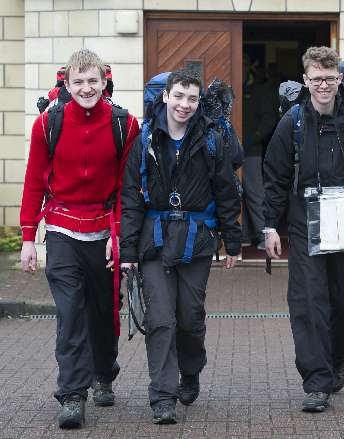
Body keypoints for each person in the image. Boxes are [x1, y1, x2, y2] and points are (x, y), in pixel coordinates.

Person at [263, 46, 344, 412]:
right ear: (305, 80)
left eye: (329, 79)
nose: (323, 85)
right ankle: (316, 382)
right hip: (306, 227)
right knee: (308, 303)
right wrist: (270, 227)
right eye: (316, 78)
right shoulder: (293, 124)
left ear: (339, 79)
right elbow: (274, 178)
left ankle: (337, 357)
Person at [19, 49, 139, 429]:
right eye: (78, 82)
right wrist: (27, 237)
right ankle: (72, 394)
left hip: (104, 230)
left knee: (103, 312)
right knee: (70, 314)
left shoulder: (126, 125)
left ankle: (104, 373)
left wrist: (118, 232)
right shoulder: (46, 125)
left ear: (104, 83)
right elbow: (34, 179)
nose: (86, 88)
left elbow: (128, 187)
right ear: (67, 85)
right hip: (61, 229)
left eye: (93, 82)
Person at [119, 69, 241, 424]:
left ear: (198, 101)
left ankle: (190, 370)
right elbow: (130, 198)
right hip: (154, 241)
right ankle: (162, 397)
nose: (184, 105)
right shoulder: (144, 141)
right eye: (179, 97)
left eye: (192, 99)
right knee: (160, 320)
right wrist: (128, 252)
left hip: (196, 240)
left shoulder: (210, 139)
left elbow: (226, 191)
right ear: (165, 97)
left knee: (189, 317)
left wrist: (232, 241)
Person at [242, 56, 278, 249]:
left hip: (251, 151)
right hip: (227, 152)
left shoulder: (260, 89)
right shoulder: (229, 89)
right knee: (233, 194)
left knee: (255, 194)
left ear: (249, 67)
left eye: (243, 64)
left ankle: (264, 236)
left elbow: (269, 119)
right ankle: (243, 235)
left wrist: (253, 139)